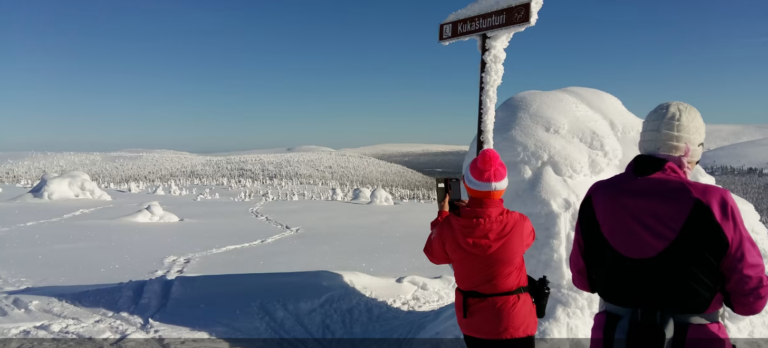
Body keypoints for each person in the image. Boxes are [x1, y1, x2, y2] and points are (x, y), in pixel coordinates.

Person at [569, 102, 768, 348]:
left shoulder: (598, 195)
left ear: (644, 144)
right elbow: (750, 299)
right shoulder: (712, 203)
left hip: (614, 335)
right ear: (691, 150)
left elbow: (583, 280)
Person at [424, 148, 538, 348]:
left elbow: (435, 255)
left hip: (476, 325)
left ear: (467, 184)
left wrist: (443, 217)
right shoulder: (520, 223)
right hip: (517, 322)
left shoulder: (449, 227)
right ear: (503, 188)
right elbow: (528, 241)